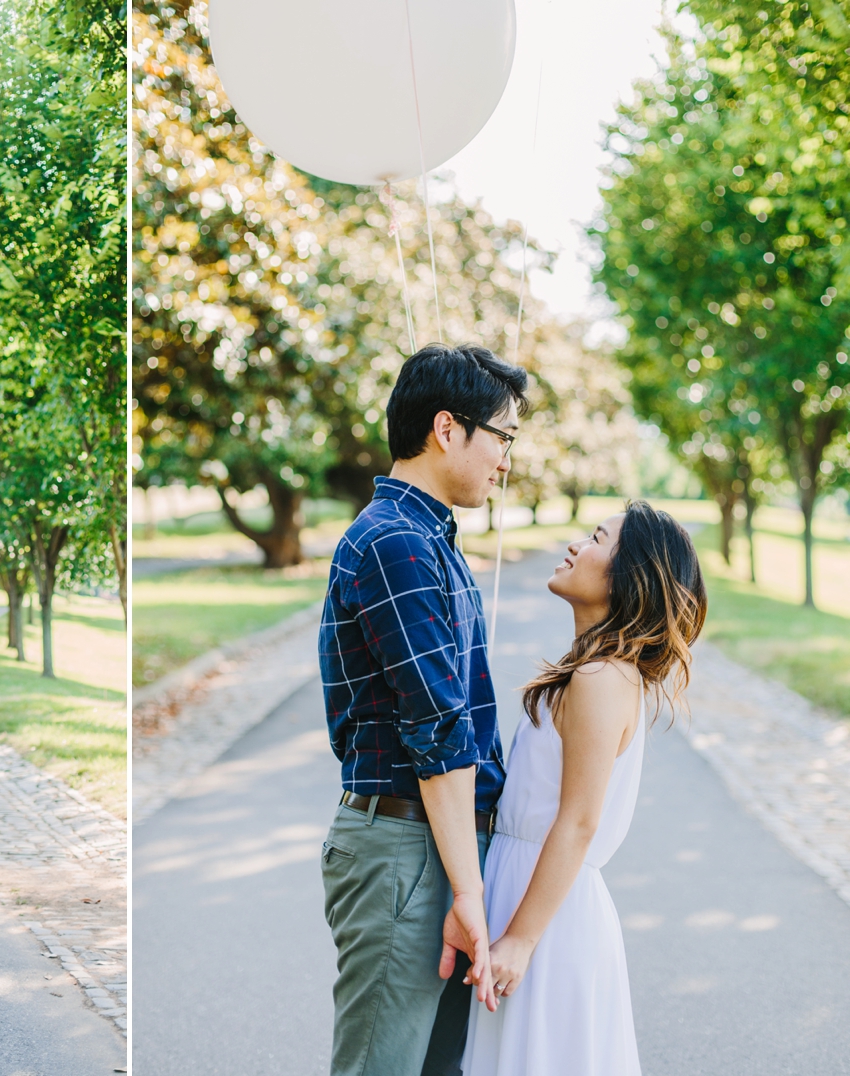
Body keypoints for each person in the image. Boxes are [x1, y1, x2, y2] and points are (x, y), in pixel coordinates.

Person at [319, 343, 527, 1076]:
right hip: (404, 847)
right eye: (503, 435)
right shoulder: (397, 544)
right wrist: (467, 890)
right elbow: (439, 731)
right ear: (448, 428)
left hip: (434, 845)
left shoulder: (429, 541)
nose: (507, 457)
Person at [462, 503, 707, 1075]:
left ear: (629, 578)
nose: (575, 545)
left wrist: (521, 939)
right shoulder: (592, 668)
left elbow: (578, 821)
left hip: (547, 913)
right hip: (524, 886)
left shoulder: (601, 677)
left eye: (596, 538)